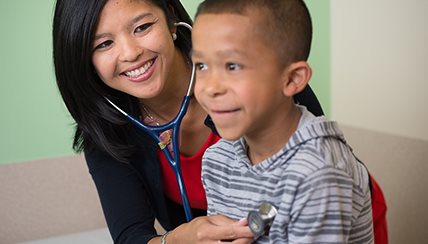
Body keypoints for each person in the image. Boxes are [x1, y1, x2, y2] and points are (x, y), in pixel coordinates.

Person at [52, 0, 324, 243]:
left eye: (142, 27)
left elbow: (324, 175)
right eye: (104, 44)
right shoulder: (106, 131)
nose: (130, 53)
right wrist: (178, 240)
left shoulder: (261, 77)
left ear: (171, 19)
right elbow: (130, 235)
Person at [192, 0, 374, 243]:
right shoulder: (218, 160)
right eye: (201, 65)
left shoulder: (317, 173)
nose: (211, 87)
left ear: (291, 79)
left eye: (232, 66)